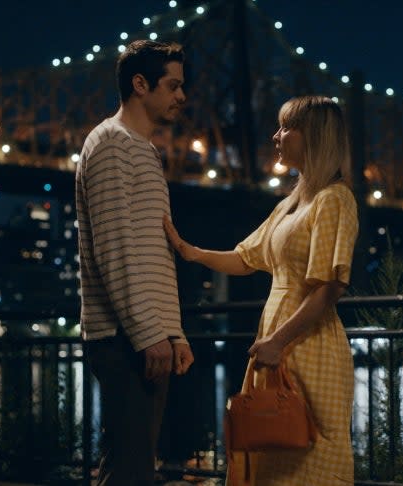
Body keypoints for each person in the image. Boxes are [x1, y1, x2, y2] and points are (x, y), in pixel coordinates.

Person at [164, 95, 358, 485]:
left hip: (308, 344)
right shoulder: (291, 204)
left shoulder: (335, 199)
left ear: (315, 138)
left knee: (311, 453)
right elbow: (245, 258)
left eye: (287, 128)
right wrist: (192, 252)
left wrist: (276, 341)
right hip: (276, 343)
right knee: (271, 448)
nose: (276, 136)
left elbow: (329, 288)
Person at [75, 39, 195, 486]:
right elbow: (115, 249)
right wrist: (150, 333)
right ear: (140, 84)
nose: (182, 96)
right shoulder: (110, 143)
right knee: (127, 473)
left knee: (135, 467)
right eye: (173, 85)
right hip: (124, 337)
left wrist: (174, 331)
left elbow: (154, 254)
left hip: (143, 335)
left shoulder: (143, 149)